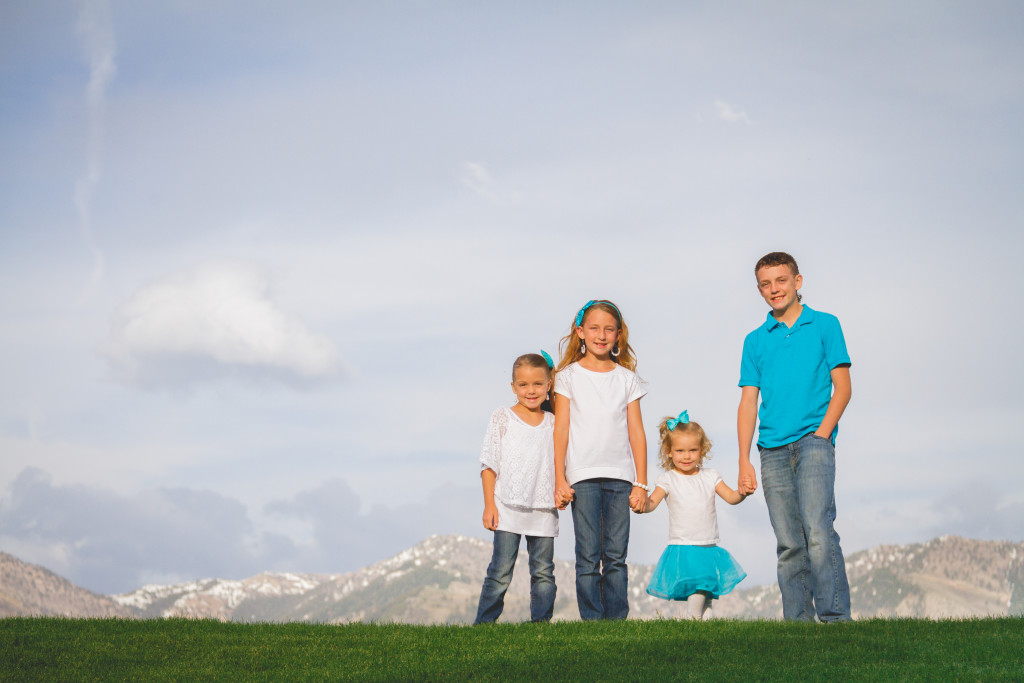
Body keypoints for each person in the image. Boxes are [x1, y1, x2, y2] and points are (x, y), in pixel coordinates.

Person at [737, 251, 853, 622]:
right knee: (789, 543)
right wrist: (743, 459)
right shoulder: (754, 341)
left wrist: (821, 435)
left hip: (813, 442)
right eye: (766, 284)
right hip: (770, 450)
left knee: (818, 531)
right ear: (759, 290)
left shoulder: (825, 325)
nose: (775, 289)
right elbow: (748, 402)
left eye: (781, 281)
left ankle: (835, 619)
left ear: (797, 281)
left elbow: (843, 388)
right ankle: (798, 627)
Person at [553, 299, 649, 620]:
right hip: (582, 475)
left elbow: (636, 431)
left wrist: (641, 482)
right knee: (588, 556)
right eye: (594, 328)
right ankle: (593, 622)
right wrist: (559, 479)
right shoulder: (567, 377)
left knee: (616, 556)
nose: (601, 335)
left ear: (619, 335)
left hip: (621, 478)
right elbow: (561, 429)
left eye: (609, 329)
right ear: (580, 332)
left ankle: (617, 621)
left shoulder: (627, 379)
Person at [474, 352, 559, 624]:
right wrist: (489, 505)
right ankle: (483, 625)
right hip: (507, 507)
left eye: (537, 384)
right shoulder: (502, 418)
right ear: (513, 387)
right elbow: (489, 465)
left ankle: (540, 625)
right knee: (500, 571)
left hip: (543, 509)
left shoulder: (555, 423)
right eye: (523, 385)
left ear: (548, 385)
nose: (530, 390)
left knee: (543, 572)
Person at [640, 411, 747, 620]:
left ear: (702, 450)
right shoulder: (668, 479)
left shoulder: (710, 476)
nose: (686, 456)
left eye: (692, 450)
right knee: (699, 587)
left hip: (708, 547)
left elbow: (731, 497)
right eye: (680, 451)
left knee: (706, 594)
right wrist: (641, 504)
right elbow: (651, 503)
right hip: (685, 546)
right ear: (669, 452)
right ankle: (691, 619)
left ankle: (704, 630)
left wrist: (742, 492)